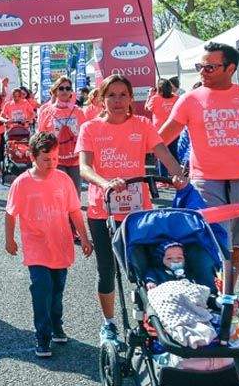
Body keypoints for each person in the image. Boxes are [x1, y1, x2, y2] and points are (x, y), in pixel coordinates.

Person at [158, 42, 239, 287]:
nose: (202, 72)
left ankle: (228, 303)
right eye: (200, 66)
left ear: (230, 68)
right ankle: (207, 299)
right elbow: (159, 141)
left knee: (236, 249)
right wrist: (175, 171)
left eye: (210, 67)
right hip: (205, 183)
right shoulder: (190, 100)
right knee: (210, 245)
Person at [77, 74, 187, 344]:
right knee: (107, 270)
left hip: (138, 212)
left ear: (130, 99)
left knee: (146, 267)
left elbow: (165, 156)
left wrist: (177, 176)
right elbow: (84, 168)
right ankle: (109, 323)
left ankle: (150, 319)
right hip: (103, 210)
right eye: (111, 95)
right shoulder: (90, 128)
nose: (117, 101)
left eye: (122, 95)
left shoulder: (143, 124)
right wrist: (105, 183)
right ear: (102, 99)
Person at [5, 132, 92, 356]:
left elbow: (74, 210)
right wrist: (9, 239)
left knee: (57, 291)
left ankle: (56, 324)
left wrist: (83, 237)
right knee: (41, 289)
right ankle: (42, 336)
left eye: (55, 158)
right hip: (36, 247)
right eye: (46, 159)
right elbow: (10, 213)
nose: (51, 163)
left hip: (60, 244)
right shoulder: (21, 183)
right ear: (32, 157)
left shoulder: (63, 179)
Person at [36, 77, 87, 193]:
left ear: (71, 92)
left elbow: (85, 135)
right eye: (61, 88)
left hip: (75, 159)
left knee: (75, 193)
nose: (64, 91)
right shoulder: (46, 111)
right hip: (55, 160)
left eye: (68, 88)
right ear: (55, 91)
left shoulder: (78, 111)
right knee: (59, 192)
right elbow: (40, 136)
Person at [146, 78, 180, 176]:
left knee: (162, 153)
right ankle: (177, 175)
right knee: (173, 153)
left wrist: (150, 95)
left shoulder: (155, 98)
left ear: (159, 89)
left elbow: (147, 108)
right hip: (174, 129)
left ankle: (163, 178)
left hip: (160, 131)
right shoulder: (176, 98)